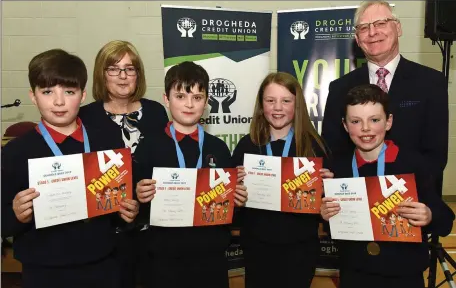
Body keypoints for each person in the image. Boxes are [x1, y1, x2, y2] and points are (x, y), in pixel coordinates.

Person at [1, 49, 139, 288]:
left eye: (69, 91)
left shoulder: (107, 141)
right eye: (47, 92)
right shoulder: (15, 153)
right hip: (44, 270)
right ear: (33, 96)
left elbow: (120, 207)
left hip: (102, 264)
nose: (58, 101)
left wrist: (128, 211)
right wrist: (15, 213)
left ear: (82, 95)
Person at [320, 84, 454, 288]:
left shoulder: (412, 164)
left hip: (403, 275)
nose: (365, 128)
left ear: (388, 121)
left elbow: (446, 220)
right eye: (356, 121)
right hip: (355, 272)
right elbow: (335, 226)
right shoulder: (337, 168)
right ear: (345, 126)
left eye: (374, 120)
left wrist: (429, 215)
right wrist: (325, 213)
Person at [135, 61, 248, 288]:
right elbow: (134, 204)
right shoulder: (148, 146)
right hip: (163, 259)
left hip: (210, 258)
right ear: (166, 99)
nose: (189, 104)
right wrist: (139, 193)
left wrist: (237, 200)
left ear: (206, 102)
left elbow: (228, 208)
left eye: (197, 98)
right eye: (180, 96)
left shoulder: (218, 148)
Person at [322, 0, 448, 196]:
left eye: (381, 23)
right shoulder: (339, 88)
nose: (372, 33)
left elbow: (436, 155)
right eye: (364, 28)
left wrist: (414, 199)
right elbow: (332, 150)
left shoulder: (431, 83)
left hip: (410, 202)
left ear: (398, 28)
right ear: (357, 38)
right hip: (356, 201)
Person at [78, 40, 169, 288]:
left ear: (137, 74)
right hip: (105, 235)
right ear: (101, 74)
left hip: (151, 229)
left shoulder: (156, 112)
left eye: (130, 68)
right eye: (113, 68)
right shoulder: (85, 116)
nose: (122, 76)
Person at [231, 72, 333, 288]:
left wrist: (328, 188)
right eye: (270, 100)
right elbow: (233, 204)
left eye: (286, 101)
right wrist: (234, 191)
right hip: (256, 246)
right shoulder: (246, 146)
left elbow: (327, 205)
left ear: (297, 105)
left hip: (300, 247)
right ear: (261, 105)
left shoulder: (315, 147)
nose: (278, 108)